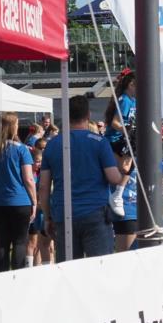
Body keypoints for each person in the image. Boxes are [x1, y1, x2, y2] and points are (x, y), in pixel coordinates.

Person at [40, 95, 123, 261]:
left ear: (66, 115)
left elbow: (43, 187)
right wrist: (123, 170)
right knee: (100, 268)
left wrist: (48, 217)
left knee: (68, 270)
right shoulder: (99, 142)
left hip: (63, 213)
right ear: (88, 115)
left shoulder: (52, 144)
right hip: (95, 213)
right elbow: (114, 178)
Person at [0, 112, 36, 272]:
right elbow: (28, 179)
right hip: (20, 201)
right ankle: (17, 277)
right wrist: (34, 200)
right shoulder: (22, 150)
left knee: (3, 242)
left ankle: (2, 274)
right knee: (20, 242)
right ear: (14, 127)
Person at [105, 70, 137, 215]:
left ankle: (117, 194)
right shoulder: (124, 100)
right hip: (115, 140)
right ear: (131, 84)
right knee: (125, 168)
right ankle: (116, 195)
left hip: (124, 139)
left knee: (130, 165)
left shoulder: (134, 101)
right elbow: (115, 123)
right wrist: (129, 132)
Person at [112, 150, 138, 253]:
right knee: (127, 257)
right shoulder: (122, 149)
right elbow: (124, 168)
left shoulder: (155, 156)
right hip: (127, 210)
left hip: (146, 213)